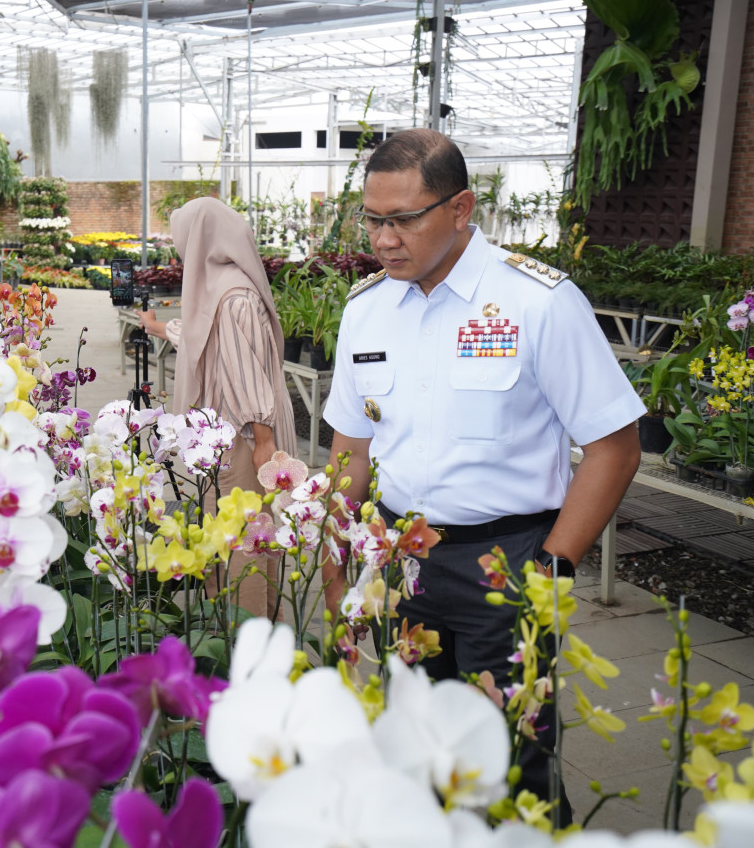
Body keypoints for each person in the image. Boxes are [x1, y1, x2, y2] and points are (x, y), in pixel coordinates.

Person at [321, 129, 644, 822]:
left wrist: (551, 569)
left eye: (403, 218)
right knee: (417, 749)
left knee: (513, 759)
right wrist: (336, 569)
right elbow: (350, 455)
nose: (383, 238)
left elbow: (614, 445)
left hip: (510, 562)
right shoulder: (365, 310)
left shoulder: (537, 302)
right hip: (402, 559)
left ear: (462, 207)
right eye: (372, 219)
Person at [138, 197, 299, 621]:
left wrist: (264, 444)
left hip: (244, 439)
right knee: (243, 530)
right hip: (232, 437)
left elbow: (245, 377)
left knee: (243, 538)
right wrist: (155, 325)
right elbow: (201, 339)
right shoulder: (223, 287)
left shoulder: (233, 299)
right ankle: (256, 627)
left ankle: (248, 633)